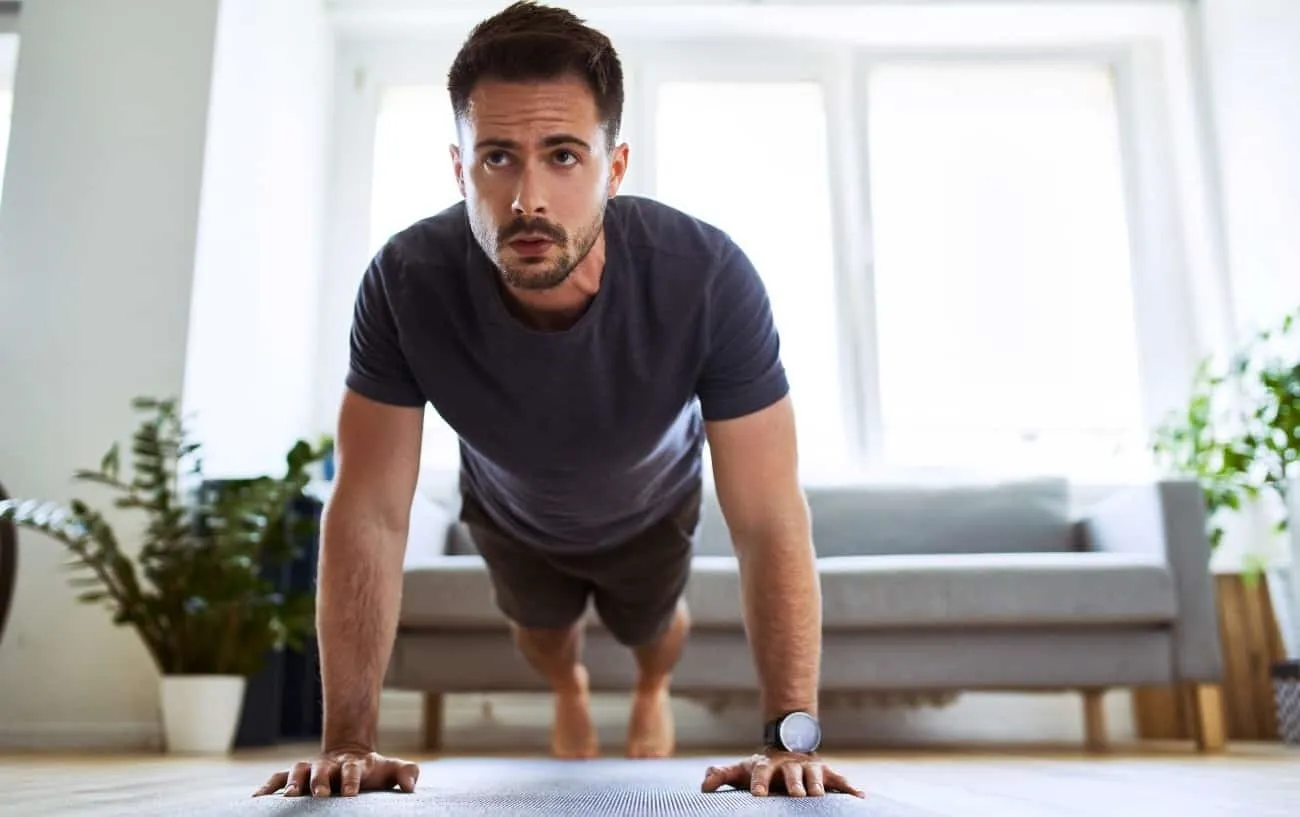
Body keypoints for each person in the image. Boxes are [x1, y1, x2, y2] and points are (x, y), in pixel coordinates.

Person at [254, 0, 864, 802]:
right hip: (512, 513)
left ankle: (650, 685)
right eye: (498, 157)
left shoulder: (707, 276)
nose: (527, 199)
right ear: (459, 168)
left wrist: (791, 732)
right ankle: (571, 685)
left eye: (564, 156)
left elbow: (768, 516)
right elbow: (368, 510)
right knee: (544, 641)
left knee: (653, 633)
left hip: (651, 507)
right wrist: (347, 743)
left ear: (614, 168)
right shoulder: (405, 281)